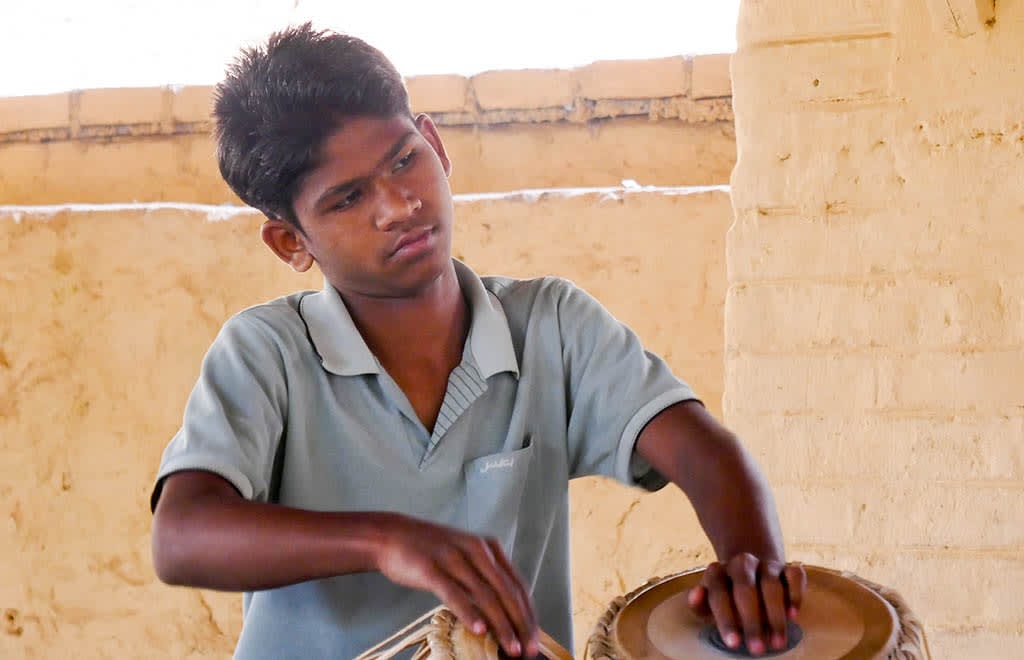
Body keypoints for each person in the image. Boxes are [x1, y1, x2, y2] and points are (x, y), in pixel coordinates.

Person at [150, 22, 804, 659]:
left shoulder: (551, 325)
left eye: (404, 160)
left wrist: (753, 566)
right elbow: (181, 537)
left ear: (435, 143)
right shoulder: (268, 351)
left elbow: (701, 451)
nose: (399, 205)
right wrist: (386, 542)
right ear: (292, 242)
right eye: (348, 199)